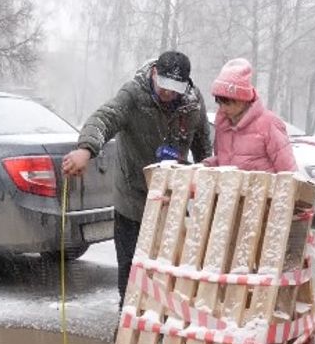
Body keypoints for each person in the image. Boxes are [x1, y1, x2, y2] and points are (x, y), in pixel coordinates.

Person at [61, 50, 211, 310]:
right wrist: (86, 149)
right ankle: (128, 321)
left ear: (186, 85)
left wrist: (208, 182)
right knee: (131, 269)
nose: (168, 93)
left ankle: (159, 323)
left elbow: (204, 149)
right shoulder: (134, 94)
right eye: (164, 86)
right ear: (154, 74)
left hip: (170, 202)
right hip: (132, 200)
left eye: (175, 88)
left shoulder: (193, 104)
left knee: (167, 268)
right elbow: (104, 118)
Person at [203, 58, 297, 173]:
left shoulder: (269, 124)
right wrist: (208, 165)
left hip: (262, 190)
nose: (222, 108)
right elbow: (227, 161)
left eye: (227, 103)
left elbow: (289, 171)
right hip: (231, 190)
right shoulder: (223, 124)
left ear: (242, 99)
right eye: (219, 102)